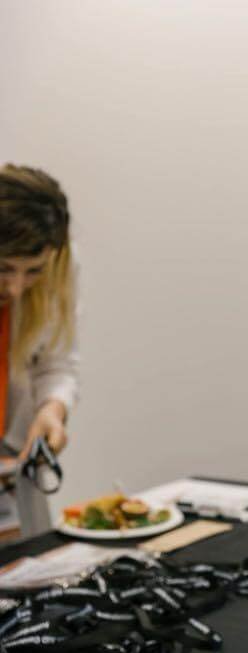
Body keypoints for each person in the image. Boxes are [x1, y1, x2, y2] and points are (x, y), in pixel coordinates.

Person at [0, 164, 80, 538]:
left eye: (32, 271)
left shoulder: (60, 267)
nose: (16, 288)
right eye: (4, 269)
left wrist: (52, 410)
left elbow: (56, 361)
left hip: (13, 468)